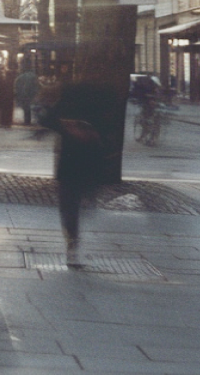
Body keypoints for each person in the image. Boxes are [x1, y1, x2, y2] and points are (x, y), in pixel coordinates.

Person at [41, 79, 117, 267]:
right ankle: (73, 243)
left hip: (72, 163)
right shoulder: (98, 97)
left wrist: (68, 126)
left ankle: (72, 243)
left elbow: (47, 120)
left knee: (69, 205)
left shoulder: (69, 101)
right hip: (85, 162)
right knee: (74, 201)